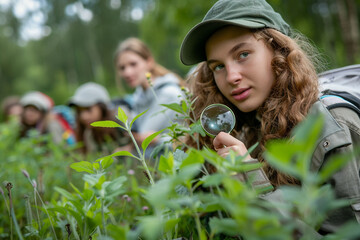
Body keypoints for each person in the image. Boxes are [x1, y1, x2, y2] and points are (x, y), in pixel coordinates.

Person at [179, 0, 360, 235]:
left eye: (243, 54)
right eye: (218, 66)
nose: (231, 76)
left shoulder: (333, 125)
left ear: (279, 51)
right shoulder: (247, 124)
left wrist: (250, 182)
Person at [114, 37, 185, 158]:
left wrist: (155, 139)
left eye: (133, 64)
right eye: (122, 68)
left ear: (149, 62)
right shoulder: (139, 96)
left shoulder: (168, 94)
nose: (127, 72)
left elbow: (144, 136)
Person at [68, 82, 130, 155]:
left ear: (102, 107)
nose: (83, 116)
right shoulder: (88, 133)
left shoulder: (120, 117)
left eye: (88, 109)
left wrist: (127, 149)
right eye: (79, 111)